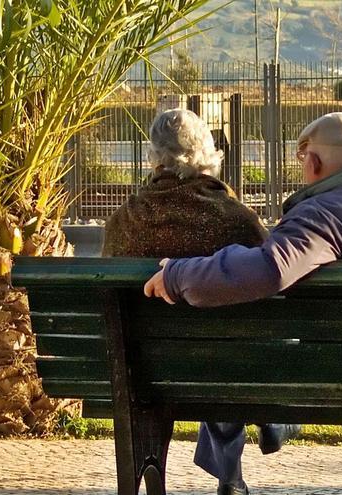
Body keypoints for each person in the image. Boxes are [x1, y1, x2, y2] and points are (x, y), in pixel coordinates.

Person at [144, 112, 342, 495]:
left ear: (313, 162)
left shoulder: (320, 214)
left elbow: (269, 270)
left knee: (254, 340)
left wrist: (178, 275)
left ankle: (281, 427)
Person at [103, 108, 300, 495]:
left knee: (207, 347)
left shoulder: (123, 222)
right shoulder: (234, 218)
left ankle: (234, 470)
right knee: (224, 343)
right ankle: (264, 434)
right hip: (228, 362)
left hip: (145, 369)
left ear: (154, 156)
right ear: (208, 152)